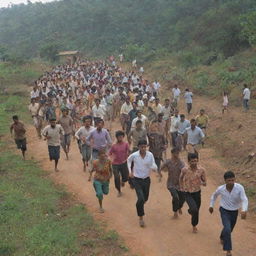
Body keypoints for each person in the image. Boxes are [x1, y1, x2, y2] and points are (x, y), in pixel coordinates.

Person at [209, 171, 248, 256]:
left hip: (234, 211)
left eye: (232, 180)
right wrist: (211, 206)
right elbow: (214, 196)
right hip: (224, 210)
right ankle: (228, 250)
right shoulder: (221, 189)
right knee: (227, 228)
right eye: (229, 181)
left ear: (235, 179)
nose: (231, 182)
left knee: (229, 229)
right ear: (225, 181)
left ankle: (222, 237)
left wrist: (244, 210)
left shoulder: (239, 188)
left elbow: (244, 199)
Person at [127, 139, 157, 227]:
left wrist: (154, 168)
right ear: (138, 147)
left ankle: (139, 205)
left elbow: (153, 164)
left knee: (145, 199)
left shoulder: (150, 155)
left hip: (146, 179)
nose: (143, 148)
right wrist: (130, 172)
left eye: (145, 147)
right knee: (141, 198)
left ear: (146, 147)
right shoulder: (134, 155)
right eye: (141, 147)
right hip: (137, 180)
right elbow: (128, 161)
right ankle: (141, 218)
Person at [179, 153, 207, 233]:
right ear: (188, 162)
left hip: (197, 192)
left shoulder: (201, 170)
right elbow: (180, 178)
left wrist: (203, 182)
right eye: (192, 161)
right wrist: (181, 187)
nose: (194, 163)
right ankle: (194, 226)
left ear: (197, 160)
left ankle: (191, 213)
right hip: (187, 193)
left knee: (196, 210)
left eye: (195, 161)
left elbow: (204, 181)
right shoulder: (184, 170)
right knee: (194, 209)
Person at [160, 148, 185, 218]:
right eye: (175, 153)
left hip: (180, 184)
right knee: (175, 197)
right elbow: (161, 167)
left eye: (178, 153)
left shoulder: (181, 163)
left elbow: (184, 171)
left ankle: (179, 207)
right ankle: (175, 212)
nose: (177, 155)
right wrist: (160, 172)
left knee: (183, 198)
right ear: (172, 153)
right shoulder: (168, 161)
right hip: (171, 184)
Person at [88, 149, 113, 213]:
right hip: (97, 180)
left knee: (106, 192)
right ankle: (101, 207)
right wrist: (90, 176)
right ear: (98, 156)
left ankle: (99, 192)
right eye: (101, 156)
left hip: (105, 180)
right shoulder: (95, 162)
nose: (103, 157)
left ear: (105, 155)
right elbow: (92, 169)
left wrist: (110, 175)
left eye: (104, 155)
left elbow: (110, 169)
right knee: (100, 194)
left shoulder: (108, 161)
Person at [109, 131, 130, 197]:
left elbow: (128, 151)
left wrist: (128, 157)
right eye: (119, 136)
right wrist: (111, 158)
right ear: (117, 137)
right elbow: (109, 154)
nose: (120, 138)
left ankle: (123, 181)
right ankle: (119, 191)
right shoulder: (114, 146)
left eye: (121, 136)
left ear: (123, 137)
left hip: (124, 162)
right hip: (115, 164)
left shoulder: (126, 144)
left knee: (126, 178)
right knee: (117, 177)